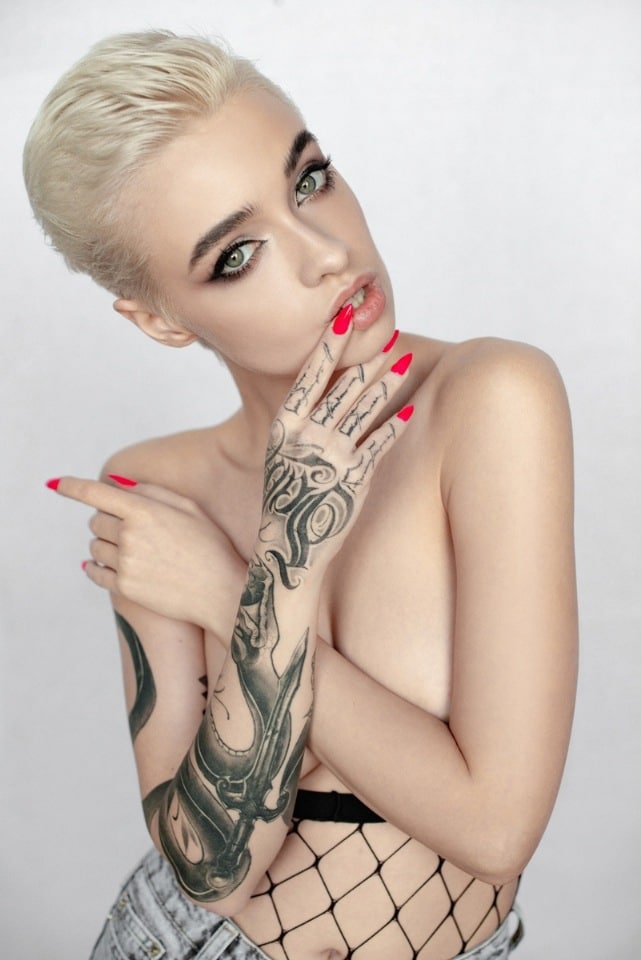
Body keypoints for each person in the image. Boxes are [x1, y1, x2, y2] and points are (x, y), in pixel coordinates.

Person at [25, 30, 578, 960]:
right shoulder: (155, 491)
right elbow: (212, 873)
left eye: (309, 180)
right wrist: (287, 565)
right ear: (160, 319)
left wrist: (227, 592)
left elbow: (494, 828)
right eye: (237, 253)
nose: (327, 254)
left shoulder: (491, 399)